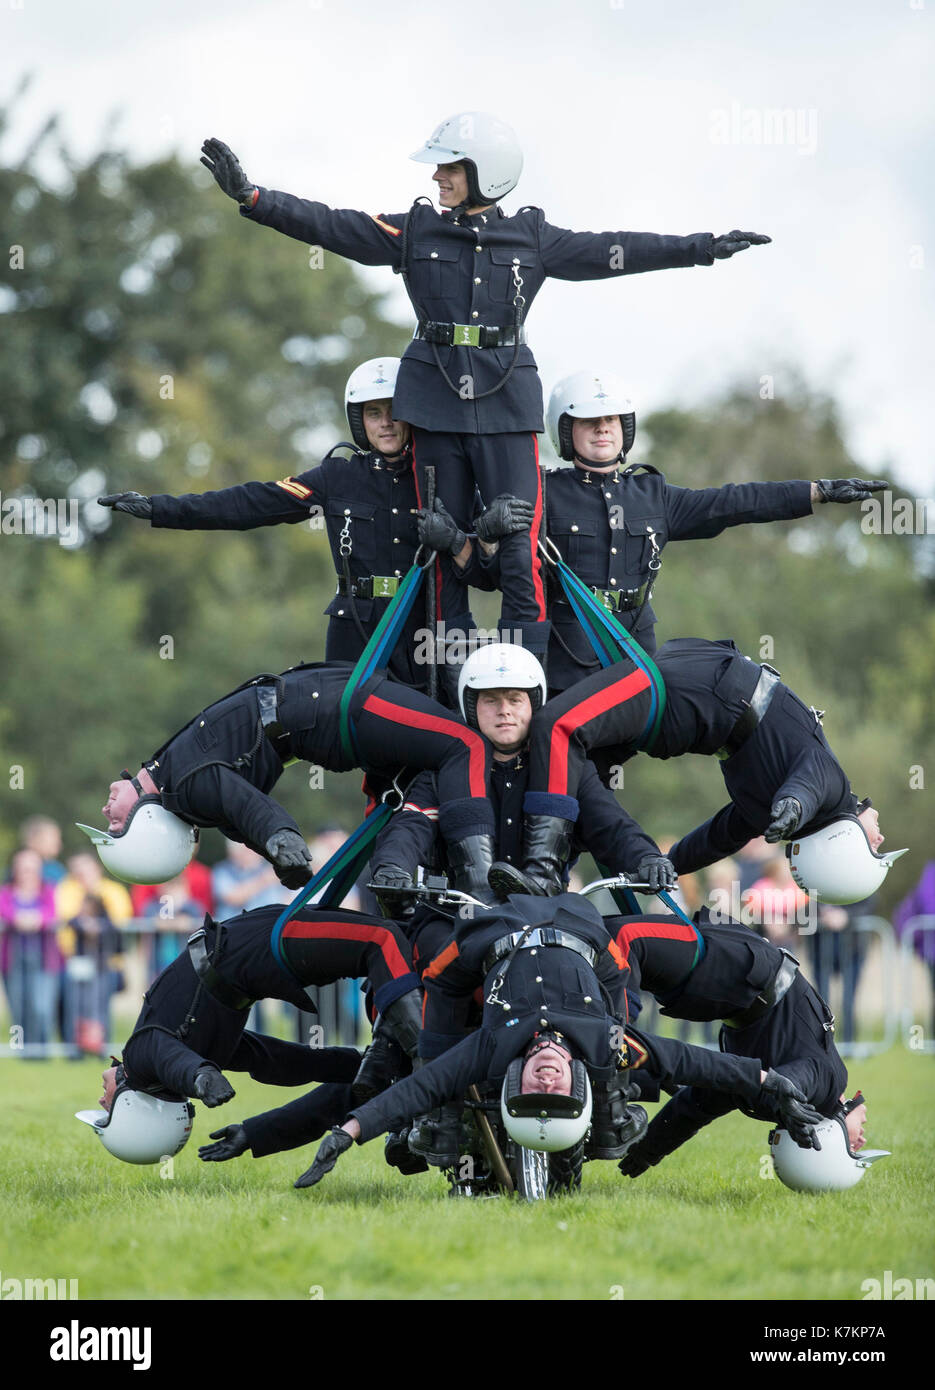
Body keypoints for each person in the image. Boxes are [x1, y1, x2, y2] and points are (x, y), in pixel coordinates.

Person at [199, 116, 770, 662]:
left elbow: (611, 249)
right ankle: (448, 681)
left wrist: (700, 248)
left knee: (519, 547)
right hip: (433, 405)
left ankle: (524, 688)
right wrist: (253, 198)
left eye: (449, 166)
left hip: (506, 406)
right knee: (440, 549)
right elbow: (334, 225)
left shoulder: (532, 238)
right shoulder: (415, 230)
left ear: (484, 171)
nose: (436, 177)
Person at [291, 892, 822, 1190]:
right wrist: (769, 1084)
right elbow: (690, 1061)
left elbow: (416, 1088)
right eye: (559, 1090)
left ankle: (452, 1147)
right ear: (577, 1088)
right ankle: (602, 1111)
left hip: (491, 932)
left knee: (441, 1079)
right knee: (629, 1070)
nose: (546, 1077)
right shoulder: (605, 1042)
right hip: (582, 926)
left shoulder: (492, 1048)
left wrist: (347, 1133)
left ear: (513, 1083)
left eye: (532, 1089)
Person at [98, 358, 519, 693]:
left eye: (395, 411)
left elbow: (486, 577)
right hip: (357, 631)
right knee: (353, 743)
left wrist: (468, 538)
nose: (386, 423)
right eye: (374, 413)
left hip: (429, 631)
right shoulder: (336, 478)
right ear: (360, 422)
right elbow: (249, 504)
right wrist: (159, 509)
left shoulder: (448, 481)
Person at [534, 371, 888, 689]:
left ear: (624, 427)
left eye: (611, 418)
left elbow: (733, 503)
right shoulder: (542, 492)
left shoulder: (652, 495)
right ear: (566, 430)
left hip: (635, 656)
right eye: (589, 420)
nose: (602, 428)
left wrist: (816, 491)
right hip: (569, 658)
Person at [496, 636, 901, 900]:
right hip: (698, 693)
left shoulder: (785, 807)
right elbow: (808, 783)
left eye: (875, 845)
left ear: (842, 847)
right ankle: (542, 873)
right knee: (562, 744)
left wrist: (668, 867)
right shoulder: (817, 792)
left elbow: (716, 840)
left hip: (691, 692)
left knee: (562, 738)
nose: (881, 834)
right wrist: (793, 804)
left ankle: (544, 878)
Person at [77, 660, 496, 892]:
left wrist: (279, 860)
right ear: (146, 826)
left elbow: (235, 816)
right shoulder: (187, 790)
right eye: (114, 823)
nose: (105, 808)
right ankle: (479, 877)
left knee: (433, 766)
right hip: (336, 710)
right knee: (467, 745)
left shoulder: (172, 777)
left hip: (326, 705)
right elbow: (246, 806)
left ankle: (403, 868)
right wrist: (282, 840)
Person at [78, 897, 425, 1162]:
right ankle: (432, 1065)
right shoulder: (142, 1060)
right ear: (133, 1108)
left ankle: (422, 1066)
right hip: (256, 947)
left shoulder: (187, 1050)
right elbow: (273, 1061)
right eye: (106, 1109)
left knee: (399, 939)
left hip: (253, 945)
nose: (100, 1098)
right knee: (385, 939)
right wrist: (201, 1077)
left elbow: (268, 1062)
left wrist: (201, 1077)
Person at [370, 643, 673, 927]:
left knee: (608, 968)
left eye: (515, 699)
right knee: (427, 972)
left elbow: (612, 825)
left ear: (534, 705)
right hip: (458, 919)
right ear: (471, 706)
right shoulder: (443, 772)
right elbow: (410, 826)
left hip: (546, 917)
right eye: (491, 700)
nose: (505, 710)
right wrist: (392, 866)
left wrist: (646, 857)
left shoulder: (569, 771)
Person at [0, 849, 63, 1053]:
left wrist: (36, 920)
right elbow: (6, 911)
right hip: (12, 958)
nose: (27, 873)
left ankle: (41, 1050)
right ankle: (20, 1050)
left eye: (31, 869)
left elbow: (51, 914)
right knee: (18, 1008)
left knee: (42, 1007)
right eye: (23, 868)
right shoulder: (6, 892)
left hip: (44, 957)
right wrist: (19, 919)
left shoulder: (49, 891)